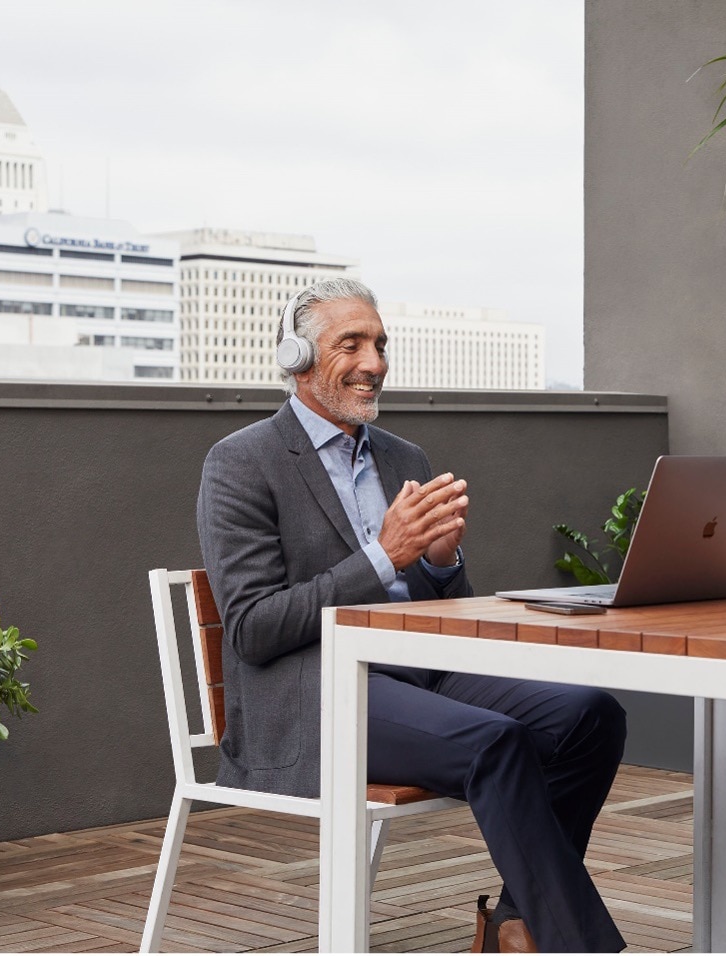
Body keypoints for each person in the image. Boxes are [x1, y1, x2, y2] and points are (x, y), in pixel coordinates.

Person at [196, 277, 626, 953]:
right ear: (296, 357)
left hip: (420, 671)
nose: (375, 362)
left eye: (380, 344)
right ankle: (576, 947)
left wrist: (441, 565)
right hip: (321, 692)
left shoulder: (404, 457)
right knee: (496, 742)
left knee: (590, 716)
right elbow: (252, 627)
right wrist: (383, 557)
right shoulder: (242, 463)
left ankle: (519, 921)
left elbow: (445, 613)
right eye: (352, 343)